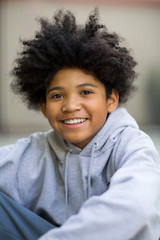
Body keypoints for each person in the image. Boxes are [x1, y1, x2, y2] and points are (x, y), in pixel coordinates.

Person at [0, 8, 160, 240]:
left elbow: (136, 208)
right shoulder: (34, 151)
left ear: (111, 100)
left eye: (85, 92)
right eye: (57, 96)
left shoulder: (132, 146)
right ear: (44, 107)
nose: (70, 105)